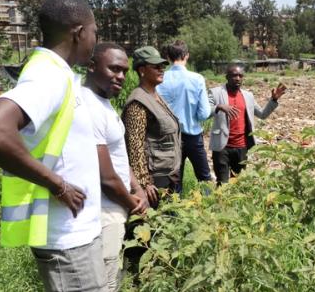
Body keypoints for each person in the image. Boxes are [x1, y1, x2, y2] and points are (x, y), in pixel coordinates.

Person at [0, 0, 106, 292]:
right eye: (95, 31)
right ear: (78, 32)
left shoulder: (60, 74)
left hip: (76, 237)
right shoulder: (49, 76)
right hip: (67, 244)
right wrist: (57, 184)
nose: (96, 39)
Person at [82, 42, 149, 292]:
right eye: (113, 69)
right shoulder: (87, 106)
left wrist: (138, 188)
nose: (120, 76)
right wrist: (134, 203)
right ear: (91, 66)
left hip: (116, 209)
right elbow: (106, 177)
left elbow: (119, 157)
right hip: (104, 212)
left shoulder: (105, 103)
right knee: (106, 281)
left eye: (124, 70)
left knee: (114, 274)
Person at [122, 46, 181, 208]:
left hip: (168, 175)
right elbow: (135, 146)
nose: (161, 69)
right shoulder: (138, 103)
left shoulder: (155, 95)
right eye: (156, 67)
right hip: (155, 182)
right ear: (142, 70)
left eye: (163, 66)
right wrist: (144, 183)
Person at [209, 64, 286, 184]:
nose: (238, 78)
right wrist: (219, 106)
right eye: (234, 75)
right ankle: (221, 203)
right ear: (227, 76)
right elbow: (205, 112)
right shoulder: (215, 93)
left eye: (240, 75)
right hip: (222, 147)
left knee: (239, 182)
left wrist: (274, 100)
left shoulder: (248, 96)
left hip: (242, 146)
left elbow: (262, 114)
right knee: (222, 183)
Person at [156, 40, 212, 192]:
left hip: (169, 137)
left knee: (174, 180)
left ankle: (175, 213)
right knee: (204, 178)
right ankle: (208, 210)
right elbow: (204, 114)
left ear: (167, 57)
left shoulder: (160, 79)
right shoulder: (197, 79)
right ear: (187, 55)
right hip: (193, 136)